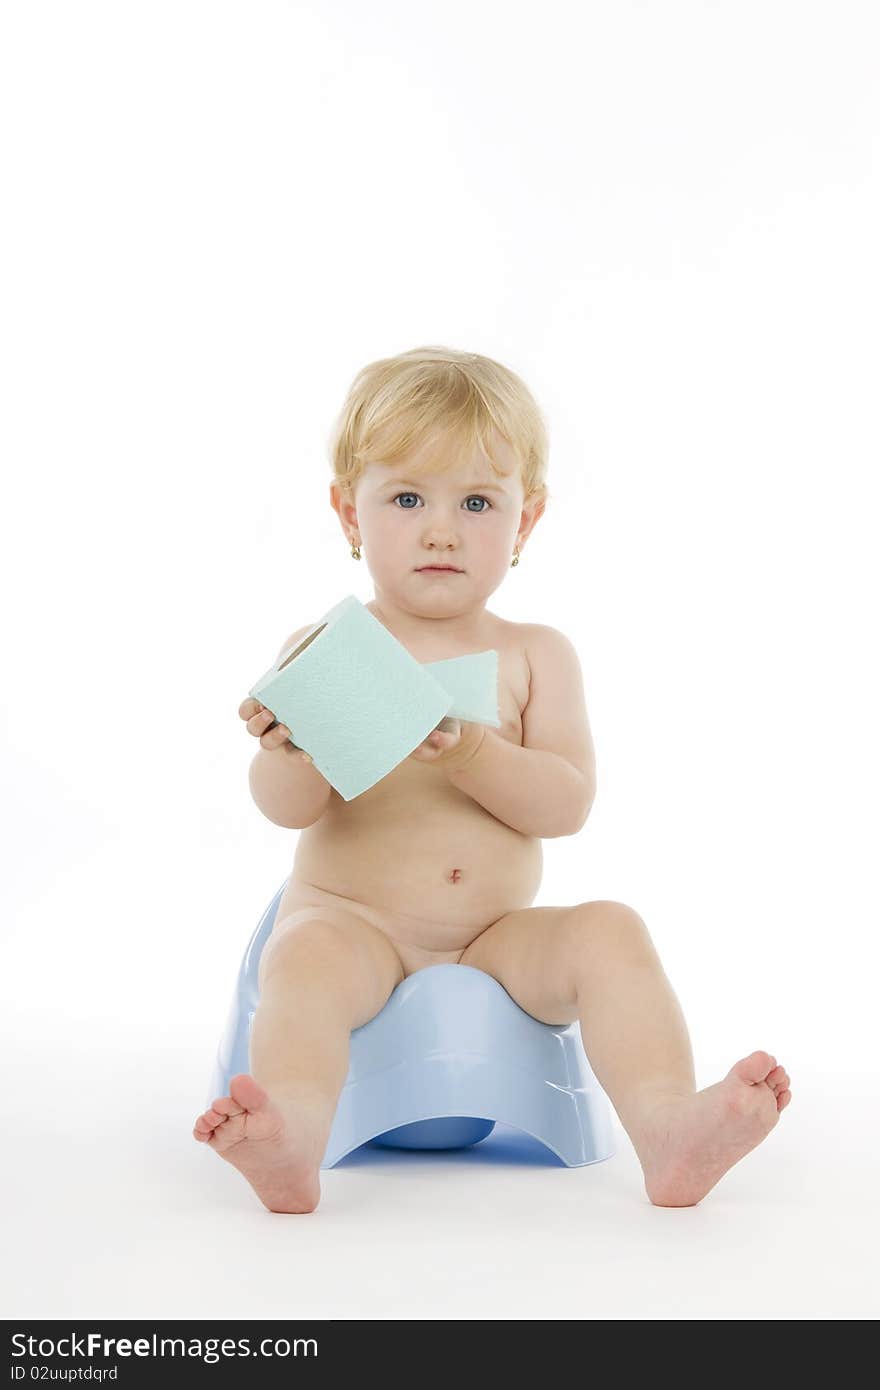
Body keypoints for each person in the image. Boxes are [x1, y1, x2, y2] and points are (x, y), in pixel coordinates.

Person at [192, 345, 791, 1213]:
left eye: (477, 501)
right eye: (407, 498)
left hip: (492, 938)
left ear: (528, 521)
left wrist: (475, 753)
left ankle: (667, 1128)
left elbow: (567, 804)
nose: (442, 529)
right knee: (304, 958)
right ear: (347, 512)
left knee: (610, 930)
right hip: (358, 927)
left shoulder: (532, 655)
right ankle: (291, 1134)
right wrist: (291, 753)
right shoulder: (330, 649)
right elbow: (286, 811)